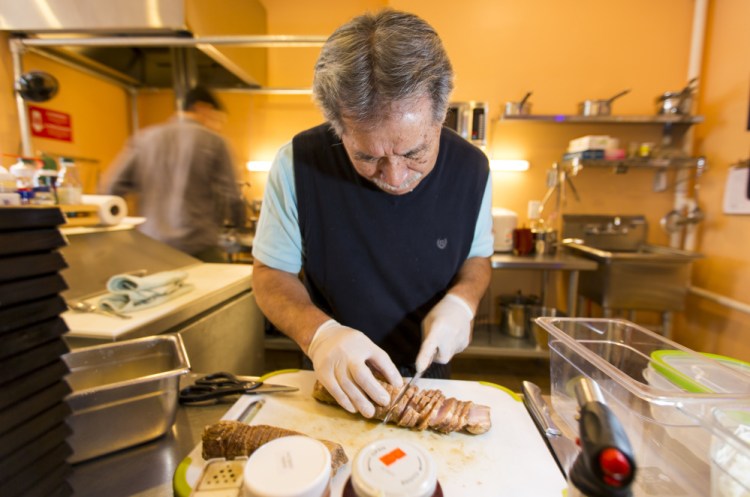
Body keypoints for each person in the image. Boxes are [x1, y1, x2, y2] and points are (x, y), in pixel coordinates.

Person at [252, 10, 493, 418]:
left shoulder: (472, 169)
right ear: (338, 129)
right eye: (368, 156)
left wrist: (462, 303)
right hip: (331, 379)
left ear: (441, 115)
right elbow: (270, 274)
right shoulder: (297, 163)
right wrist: (320, 336)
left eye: (414, 152)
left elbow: (477, 258)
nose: (395, 176)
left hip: (426, 383)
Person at [102, 86, 245, 262]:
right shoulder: (214, 142)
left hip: (150, 245)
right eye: (218, 119)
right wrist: (239, 227)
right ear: (202, 108)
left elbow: (112, 186)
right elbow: (232, 195)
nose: (218, 126)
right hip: (197, 245)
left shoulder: (145, 138)